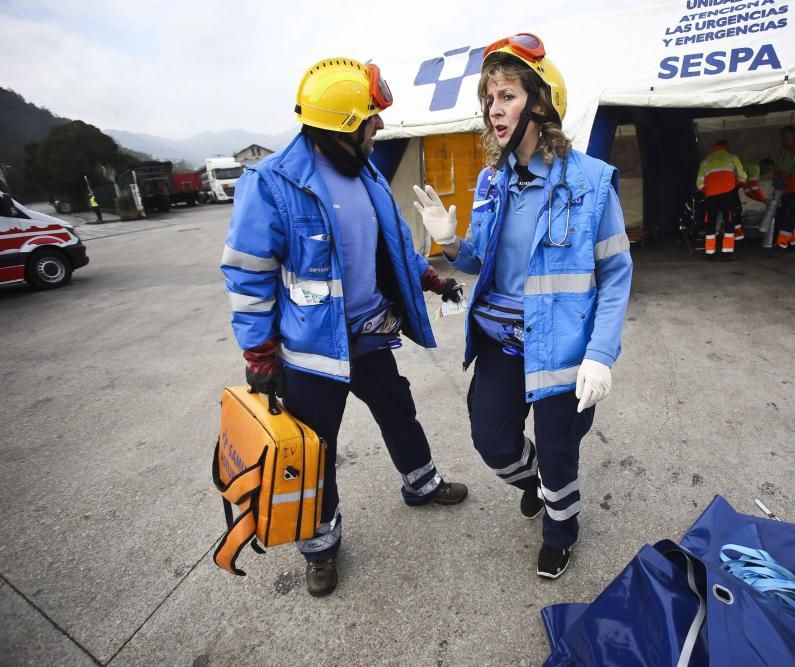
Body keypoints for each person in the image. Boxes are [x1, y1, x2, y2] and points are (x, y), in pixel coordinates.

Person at [221, 57, 469, 598]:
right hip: (312, 351)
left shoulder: (367, 170)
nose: (379, 126)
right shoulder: (272, 184)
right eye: (371, 118)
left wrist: (428, 277)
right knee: (316, 450)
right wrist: (260, 355)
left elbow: (395, 241)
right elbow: (248, 275)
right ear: (342, 126)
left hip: (370, 333)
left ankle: (421, 485)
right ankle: (320, 547)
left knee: (399, 410)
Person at [412, 33, 633, 579]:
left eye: (506, 95)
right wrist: (448, 242)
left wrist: (601, 354)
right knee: (491, 439)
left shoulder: (592, 182)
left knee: (561, 453)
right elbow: (477, 261)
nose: (494, 109)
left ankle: (561, 531)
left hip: (562, 347)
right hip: (501, 341)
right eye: (490, 98)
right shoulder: (493, 181)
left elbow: (616, 273)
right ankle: (532, 483)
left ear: (539, 102)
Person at [695, 139, 746, 259]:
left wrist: (708, 190)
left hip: (710, 197)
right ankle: (727, 253)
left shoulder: (705, 162)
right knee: (729, 222)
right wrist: (736, 184)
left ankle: (710, 253)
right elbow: (743, 176)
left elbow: (699, 184)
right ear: (726, 147)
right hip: (728, 194)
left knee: (710, 223)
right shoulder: (732, 158)